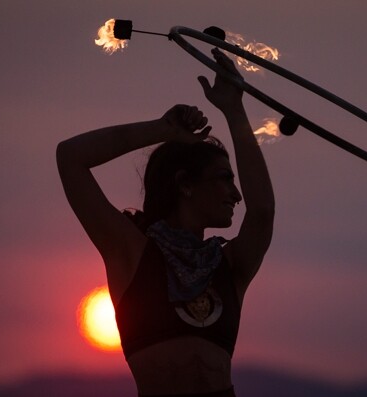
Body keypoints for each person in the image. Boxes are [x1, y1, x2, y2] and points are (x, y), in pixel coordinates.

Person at [56, 48, 275, 396]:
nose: (237, 195)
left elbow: (262, 213)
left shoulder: (228, 265)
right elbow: (70, 158)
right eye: (224, 179)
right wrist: (163, 130)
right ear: (185, 184)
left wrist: (235, 109)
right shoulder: (131, 252)